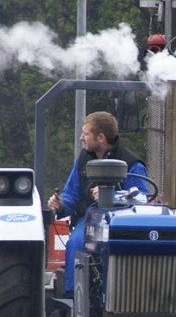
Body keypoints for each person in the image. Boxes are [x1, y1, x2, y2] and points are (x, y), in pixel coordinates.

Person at [48, 111, 148, 297]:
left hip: (121, 224)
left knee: (119, 247)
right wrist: (61, 204)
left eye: (85, 133)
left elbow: (141, 199)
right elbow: (72, 194)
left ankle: (116, 296)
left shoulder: (132, 164)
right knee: (76, 242)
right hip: (89, 220)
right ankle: (74, 297)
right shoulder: (83, 160)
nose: (81, 138)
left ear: (100, 138)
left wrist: (112, 196)